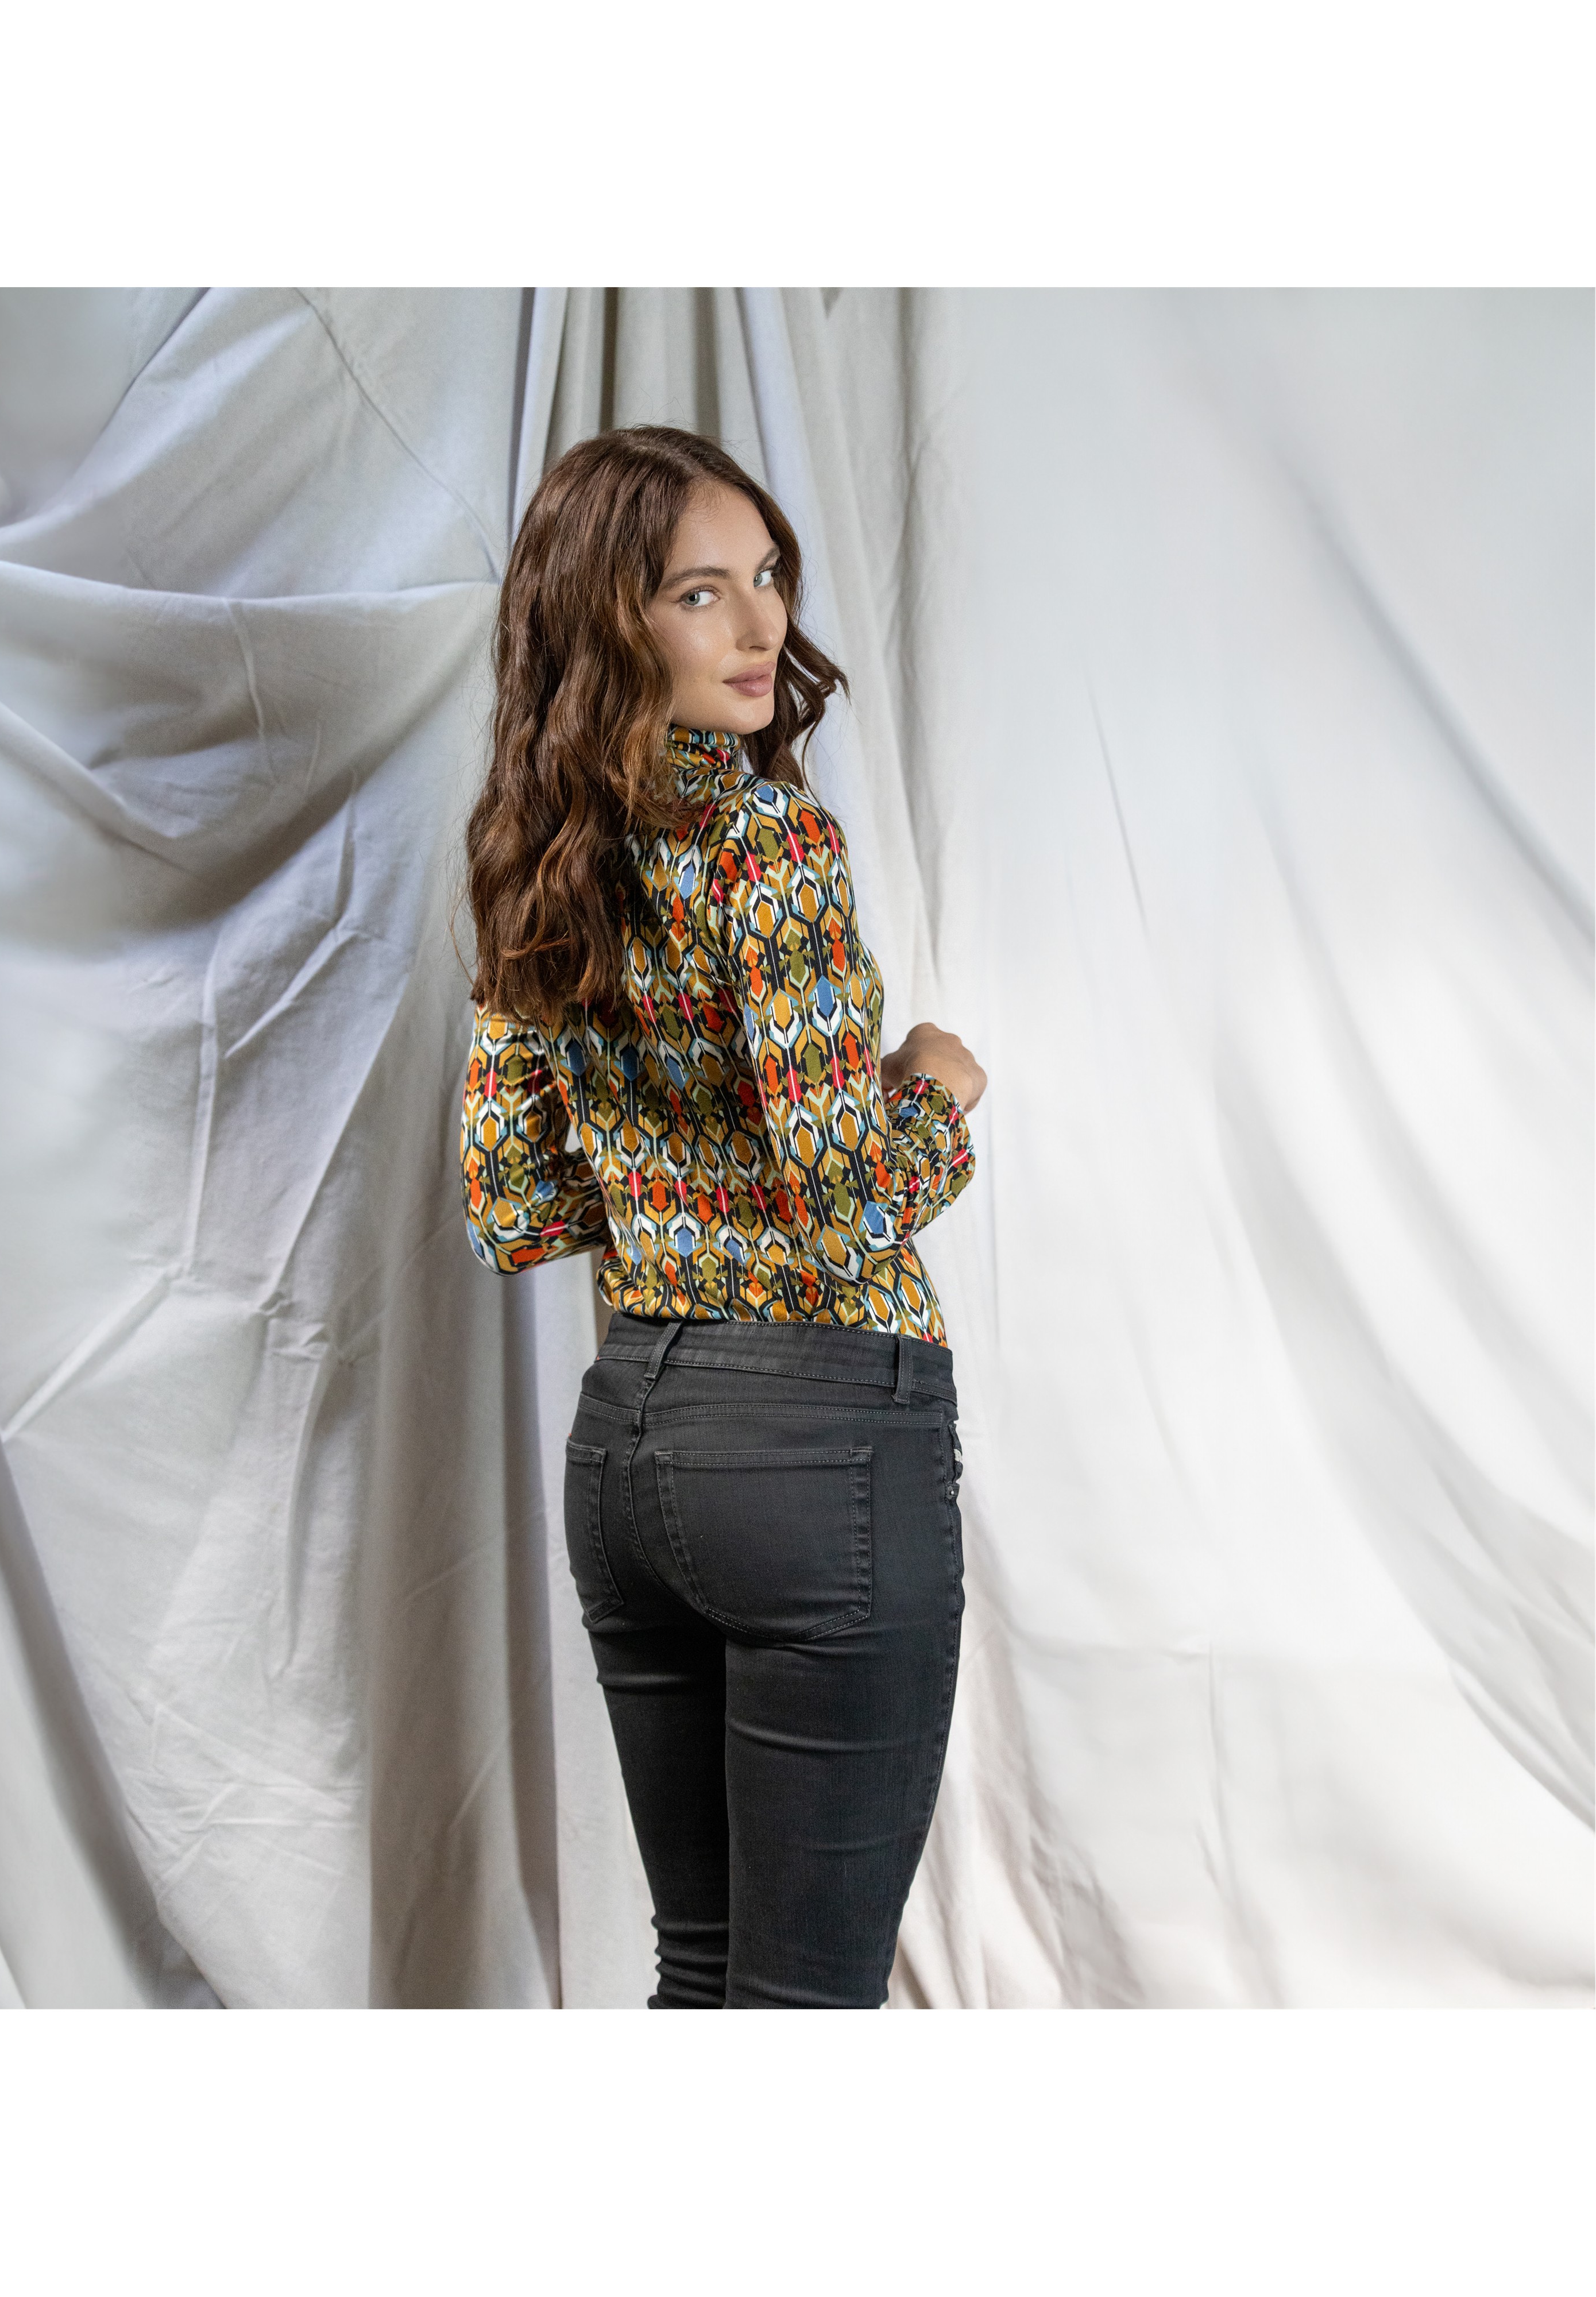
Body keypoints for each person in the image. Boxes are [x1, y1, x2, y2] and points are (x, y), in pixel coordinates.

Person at [459, 424, 986, 2008]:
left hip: (629, 1448)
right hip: (819, 1444)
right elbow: (851, 1205)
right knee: (805, 2008)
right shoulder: (770, 845)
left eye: (767, 578)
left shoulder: (538, 859)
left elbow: (514, 1207)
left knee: (703, 1977)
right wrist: (936, 1093)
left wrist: (684, 1181)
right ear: (608, 622)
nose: (760, 628)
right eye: (701, 594)